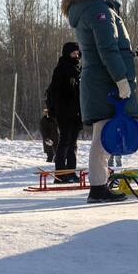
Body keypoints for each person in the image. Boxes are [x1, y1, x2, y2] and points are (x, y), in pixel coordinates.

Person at [63, 0, 136, 203]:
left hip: (99, 79)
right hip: (104, 81)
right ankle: (98, 187)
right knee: (103, 136)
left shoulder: (95, 7)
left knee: (102, 135)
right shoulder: (98, 11)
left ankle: (99, 184)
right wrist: (121, 79)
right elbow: (108, 48)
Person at [46, 41, 82, 183]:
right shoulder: (62, 68)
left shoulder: (77, 68)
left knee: (73, 143)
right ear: (67, 53)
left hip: (76, 111)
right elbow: (56, 92)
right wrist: (56, 109)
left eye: (77, 53)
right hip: (65, 111)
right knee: (65, 141)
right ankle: (60, 173)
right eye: (74, 53)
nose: (76, 55)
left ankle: (71, 172)